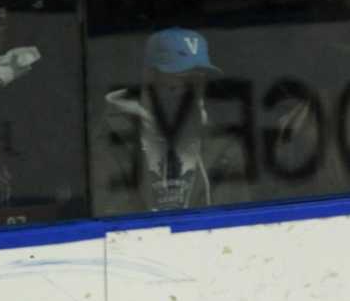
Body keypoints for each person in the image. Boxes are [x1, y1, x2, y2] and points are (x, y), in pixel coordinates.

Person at [98, 26, 244, 213]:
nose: (193, 93)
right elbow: (111, 226)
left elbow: (236, 225)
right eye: (181, 81)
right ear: (149, 79)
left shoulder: (225, 150)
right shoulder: (112, 142)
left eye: (199, 82)